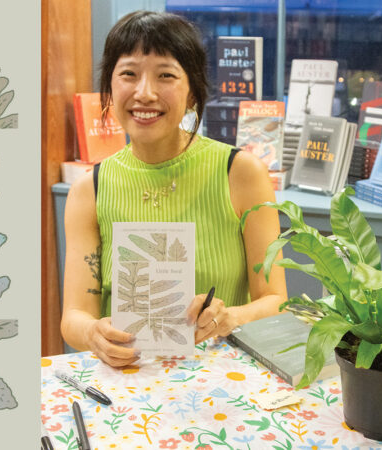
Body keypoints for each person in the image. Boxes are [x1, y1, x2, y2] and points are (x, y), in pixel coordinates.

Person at [61, 10, 287, 368]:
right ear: (109, 86)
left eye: (165, 75)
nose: (144, 93)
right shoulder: (90, 189)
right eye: (128, 74)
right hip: (126, 382)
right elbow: (74, 316)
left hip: (222, 382)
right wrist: (93, 334)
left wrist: (231, 318)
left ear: (193, 93)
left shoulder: (241, 174)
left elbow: (276, 299)